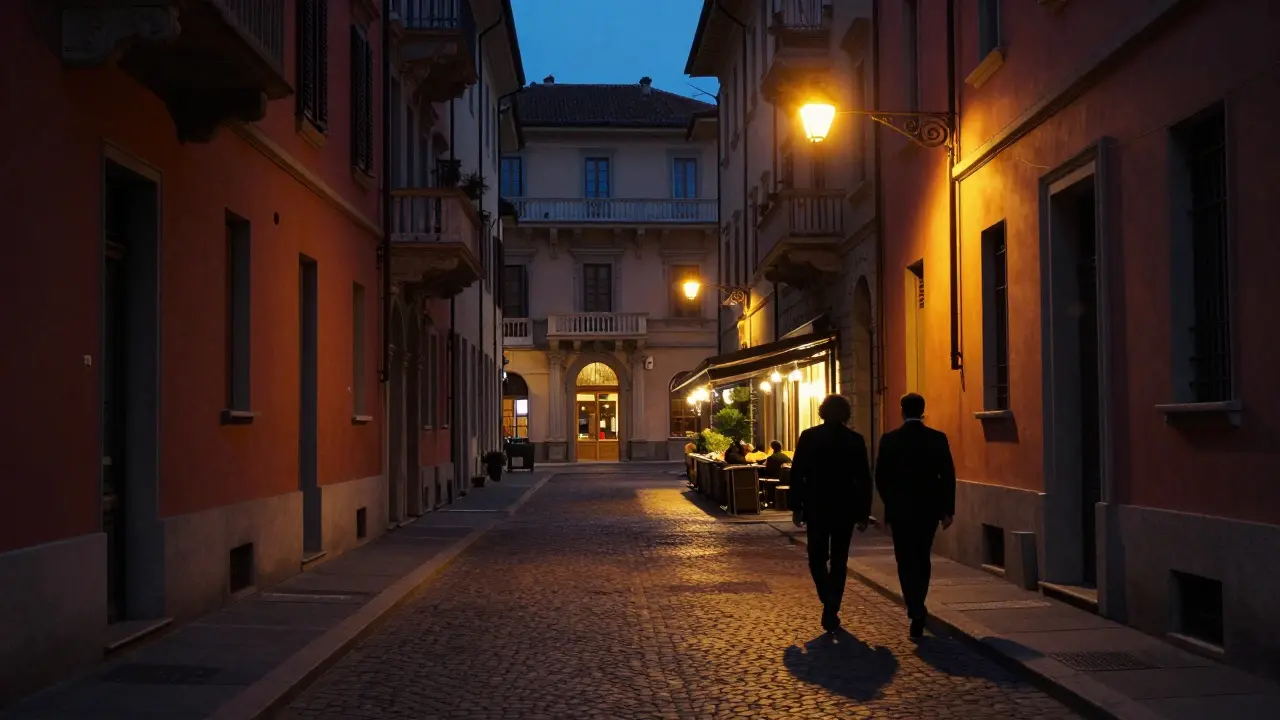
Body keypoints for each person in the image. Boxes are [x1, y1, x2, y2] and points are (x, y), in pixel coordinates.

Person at [875, 392, 957, 638]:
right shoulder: (937, 439)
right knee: (922, 557)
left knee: (904, 558)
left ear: (902, 411)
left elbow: (881, 477)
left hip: (901, 509)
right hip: (928, 509)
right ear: (922, 410)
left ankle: (913, 606)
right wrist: (947, 510)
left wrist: (890, 503)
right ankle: (918, 603)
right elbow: (948, 475)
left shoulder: (890, 440)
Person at [789, 395, 873, 633]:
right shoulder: (855, 440)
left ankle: (827, 597)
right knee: (839, 559)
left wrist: (796, 507)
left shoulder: (809, 437)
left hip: (817, 507)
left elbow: (797, 474)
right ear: (846, 413)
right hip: (845, 509)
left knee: (816, 556)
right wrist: (863, 512)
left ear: (822, 412)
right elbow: (863, 479)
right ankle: (832, 604)